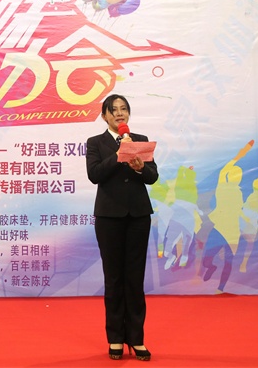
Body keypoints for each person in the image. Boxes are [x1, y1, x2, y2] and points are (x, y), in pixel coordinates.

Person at [86, 94, 158, 361]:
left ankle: (137, 339)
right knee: (114, 279)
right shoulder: (96, 143)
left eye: (124, 109)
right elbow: (94, 174)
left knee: (135, 279)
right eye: (114, 110)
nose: (119, 113)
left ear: (129, 113)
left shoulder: (140, 140)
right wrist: (118, 155)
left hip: (138, 216)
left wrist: (139, 168)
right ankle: (115, 338)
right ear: (104, 115)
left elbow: (153, 176)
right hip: (109, 218)